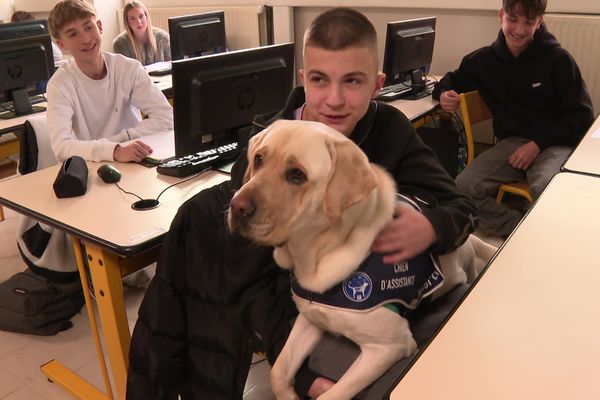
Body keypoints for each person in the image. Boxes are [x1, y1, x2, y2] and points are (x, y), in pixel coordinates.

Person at [126, 7, 478, 399]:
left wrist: (433, 227)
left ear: (377, 84)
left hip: (381, 293)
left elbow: (461, 207)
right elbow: (249, 283)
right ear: (303, 80)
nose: (334, 99)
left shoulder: (389, 130)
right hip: (294, 307)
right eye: (319, 80)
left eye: (353, 81)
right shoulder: (262, 147)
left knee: (461, 346)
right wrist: (298, 372)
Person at [432, 0, 594, 237]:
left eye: (528, 22)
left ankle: (554, 237)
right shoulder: (484, 60)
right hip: (511, 145)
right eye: (513, 19)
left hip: (553, 142)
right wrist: (443, 94)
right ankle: (520, 231)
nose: (519, 29)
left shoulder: (559, 60)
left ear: (539, 22)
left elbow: (582, 116)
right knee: (463, 188)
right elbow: (450, 80)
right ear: (501, 16)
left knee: (548, 188)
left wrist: (537, 144)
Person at [47, 0, 173, 163]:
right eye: (73, 34)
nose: (85, 38)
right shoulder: (60, 84)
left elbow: (167, 118)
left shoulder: (129, 68)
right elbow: (61, 147)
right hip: (93, 168)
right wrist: (114, 150)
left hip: (136, 159)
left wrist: (124, 139)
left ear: (99, 27)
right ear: (61, 44)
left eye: (89, 27)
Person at [112, 1, 170, 66]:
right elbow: (124, 72)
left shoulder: (163, 38)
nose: (139, 22)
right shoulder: (120, 43)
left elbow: (171, 64)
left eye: (141, 16)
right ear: (127, 22)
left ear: (146, 16)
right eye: (132, 18)